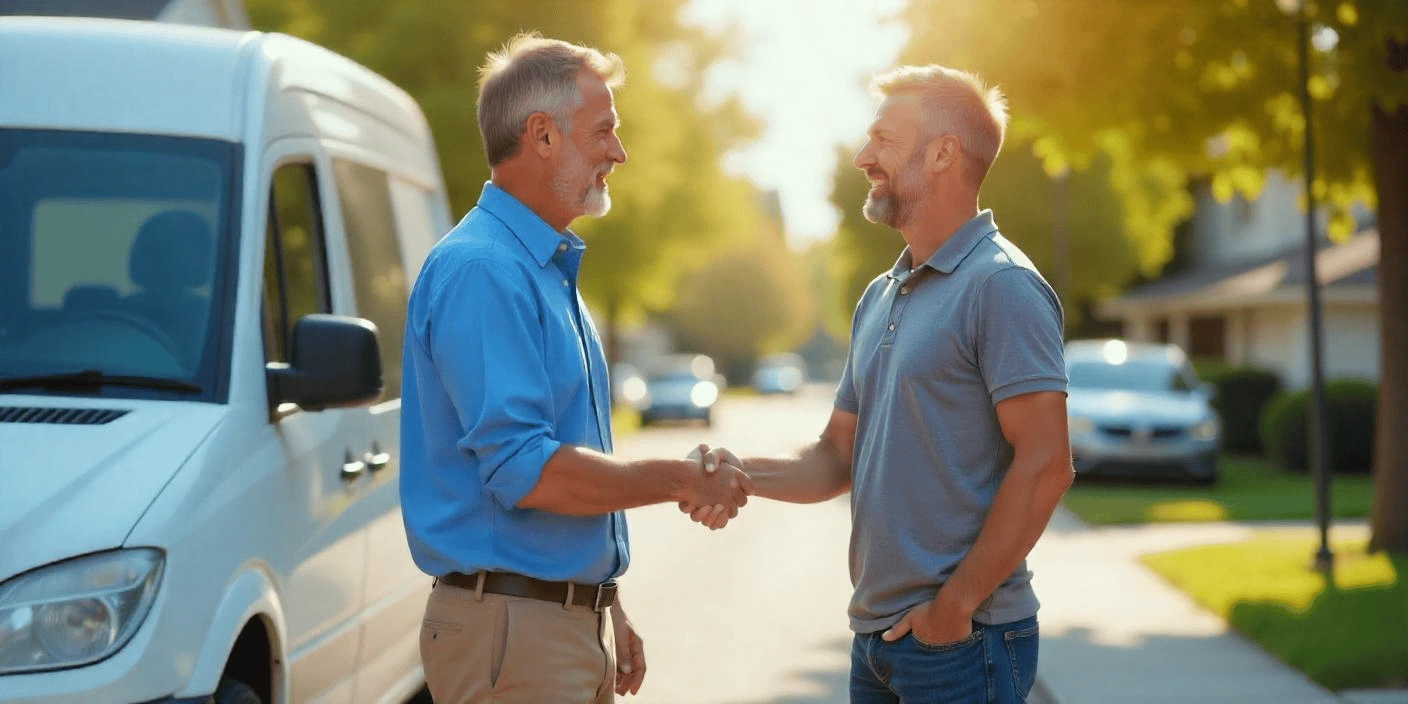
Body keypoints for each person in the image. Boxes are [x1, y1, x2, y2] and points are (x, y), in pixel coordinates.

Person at [689, 65, 1074, 703]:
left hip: (961, 641)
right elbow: (838, 453)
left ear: (944, 153)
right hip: (880, 643)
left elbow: (1046, 462)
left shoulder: (1000, 285)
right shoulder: (882, 294)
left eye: (885, 141)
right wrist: (739, 471)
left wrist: (955, 607)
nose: (865, 158)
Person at [399, 33, 752, 704]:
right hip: (515, 635)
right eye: (604, 132)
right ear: (541, 136)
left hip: (549, 626)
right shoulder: (484, 270)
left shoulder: (538, 269)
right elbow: (523, 469)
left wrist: (600, 602)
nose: (618, 153)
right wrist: (682, 478)